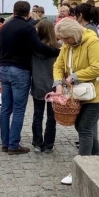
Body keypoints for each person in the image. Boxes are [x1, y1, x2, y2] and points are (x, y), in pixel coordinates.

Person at [53, 18, 99, 185]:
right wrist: (58, 83)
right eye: (61, 39)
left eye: (65, 39)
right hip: (82, 93)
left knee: (84, 127)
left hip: (98, 92)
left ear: (73, 34)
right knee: (88, 127)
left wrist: (74, 76)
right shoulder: (68, 44)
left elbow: (98, 68)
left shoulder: (92, 42)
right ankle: (97, 162)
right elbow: (58, 65)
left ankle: (80, 170)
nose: (63, 42)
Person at [0, 1, 59, 155]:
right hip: (19, 70)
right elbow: (38, 47)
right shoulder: (27, 28)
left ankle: (5, 143)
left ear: (14, 11)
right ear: (28, 13)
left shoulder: (4, 27)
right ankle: (13, 145)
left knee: (5, 108)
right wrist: (56, 52)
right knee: (18, 109)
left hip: (4, 68)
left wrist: (0, 66)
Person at [31, 19, 60, 153]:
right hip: (53, 86)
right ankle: (49, 144)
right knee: (51, 117)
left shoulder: (34, 49)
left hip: (37, 84)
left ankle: (37, 142)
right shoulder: (58, 48)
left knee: (37, 115)